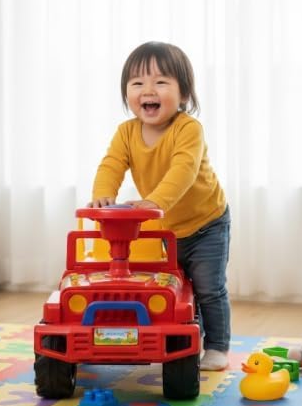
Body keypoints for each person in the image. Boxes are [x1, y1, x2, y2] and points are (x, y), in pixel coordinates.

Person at [89, 41, 231, 371]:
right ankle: (184, 338)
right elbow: (111, 164)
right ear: (127, 93)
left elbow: (183, 170)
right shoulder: (126, 133)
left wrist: (155, 201)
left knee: (209, 289)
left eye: (161, 82)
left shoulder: (189, 129)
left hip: (207, 223)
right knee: (175, 287)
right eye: (138, 83)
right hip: (167, 229)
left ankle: (217, 346)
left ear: (184, 94)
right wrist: (103, 194)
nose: (148, 90)